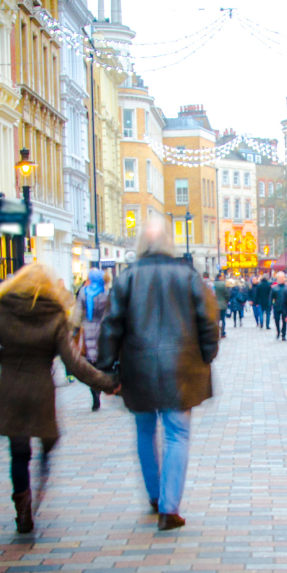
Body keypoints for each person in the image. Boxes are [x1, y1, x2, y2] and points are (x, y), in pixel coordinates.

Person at [97, 220, 219, 532]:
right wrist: (207, 354)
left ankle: (154, 495)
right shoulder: (188, 275)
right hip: (182, 366)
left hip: (138, 367)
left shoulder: (127, 278)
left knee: (144, 430)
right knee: (177, 434)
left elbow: (111, 325)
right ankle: (169, 508)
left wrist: (107, 367)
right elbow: (208, 319)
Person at [0, 264, 118, 533]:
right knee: (48, 438)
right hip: (40, 391)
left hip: (10, 391)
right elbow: (74, 363)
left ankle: (23, 510)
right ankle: (43, 465)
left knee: (18, 454)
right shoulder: (54, 315)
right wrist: (107, 382)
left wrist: (1, 352)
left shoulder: (5, 311)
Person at [71, 268, 111, 411]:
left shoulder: (83, 292)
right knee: (100, 361)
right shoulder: (106, 293)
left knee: (90, 362)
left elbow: (77, 313)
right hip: (103, 330)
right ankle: (99, 386)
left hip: (87, 330)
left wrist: (74, 329)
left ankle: (94, 390)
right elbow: (111, 313)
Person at [271, 272, 287, 341]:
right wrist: (272, 305)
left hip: (285, 307)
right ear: (277, 279)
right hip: (277, 307)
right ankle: (278, 332)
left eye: (282, 277)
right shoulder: (274, 288)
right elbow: (271, 298)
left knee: (284, 321)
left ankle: (283, 334)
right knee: (277, 320)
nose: (281, 279)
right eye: (279, 278)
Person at [213, 273, 229, 338]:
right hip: (222, 304)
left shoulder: (211, 284)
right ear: (219, 277)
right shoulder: (223, 284)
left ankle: (216, 332)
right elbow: (227, 294)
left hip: (214, 305)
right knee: (222, 319)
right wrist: (226, 301)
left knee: (215, 319)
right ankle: (222, 332)